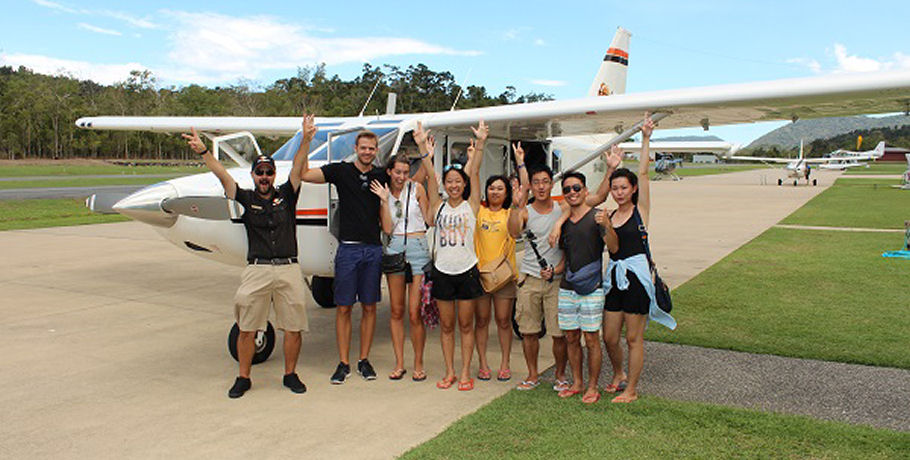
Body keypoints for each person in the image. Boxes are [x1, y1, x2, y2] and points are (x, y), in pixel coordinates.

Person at [180, 114, 316, 398]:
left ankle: (290, 374)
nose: (264, 177)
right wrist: (204, 151)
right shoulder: (245, 197)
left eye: (268, 172)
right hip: (258, 269)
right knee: (246, 328)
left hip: (289, 268)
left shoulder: (287, 194)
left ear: (274, 176)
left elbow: (298, 166)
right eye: (260, 173)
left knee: (293, 328)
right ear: (253, 175)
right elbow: (222, 175)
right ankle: (243, 377)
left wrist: (305, 139)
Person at [299, 127, 389, 384]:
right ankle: (343, 363)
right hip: (348, 249)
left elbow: (410, 180)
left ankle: (364, 360)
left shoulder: (381, 175)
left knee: (370, 307)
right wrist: (306, 140)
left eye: (372, 148)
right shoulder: (341, 170)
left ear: (376, 150)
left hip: (372, 248)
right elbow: (305, 174)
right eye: (363, 148)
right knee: (344, 308)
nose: (368, 152)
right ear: (356, 149)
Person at [601, 113, 676, 403]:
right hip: (615, 278)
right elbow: (613, 248)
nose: (619, 193)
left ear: (632, 190)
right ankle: (618, 373)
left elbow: (644, 173)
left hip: (637, 280)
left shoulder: (639, 211)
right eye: (615, 188)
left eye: (624, 188)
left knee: (633, 338)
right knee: (609, 336)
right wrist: (606, 227)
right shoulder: (607, 215)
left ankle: (631, 390)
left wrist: (645, 138)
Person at [417, 121, 486, 391]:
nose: (454, 185)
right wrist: (423, 147)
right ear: (445, 185)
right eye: (450, 182)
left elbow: (476, 170)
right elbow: (429, 177)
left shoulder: (472, 205)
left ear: (464, 184)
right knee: (447, 327)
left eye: (458, 181)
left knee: (466, 326)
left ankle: (466, 372)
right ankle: (450, 372)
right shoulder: (438, 206)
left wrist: (480, 143)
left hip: (467, 270)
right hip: (443, 271)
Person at [506, 150, 569, 392]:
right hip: (530, 278)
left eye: (545, 182)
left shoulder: (561, 208)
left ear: (551, 183)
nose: (541, 187)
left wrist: (559, 224)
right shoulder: (525, 211)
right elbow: (513, 232)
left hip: (556, 279)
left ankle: (561, 375)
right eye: (536, 183)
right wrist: (515, 204)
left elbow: (577, 207)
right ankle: (532, 375)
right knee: (528, 331)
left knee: (558, 333)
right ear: (530, 186)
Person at [555, 169, 619, 404]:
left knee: (591, 339)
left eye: (576, 188)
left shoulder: (597, 217)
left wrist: (608, 226)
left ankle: (592, 386)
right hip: (566, 287)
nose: (572, 193)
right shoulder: (563, 223)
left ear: (585, 191)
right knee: (571, 337)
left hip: (592, 288)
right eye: (567, 190)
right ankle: (577, 382)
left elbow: (613, 248)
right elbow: (565, 257)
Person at [370, 151, 431, 382]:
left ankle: (418, 363)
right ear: (389, 171)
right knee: (396, 310)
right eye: (398, 172)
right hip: (395, 248)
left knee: (415, 312)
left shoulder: (417, 189)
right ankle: (399, 363)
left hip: (417, 247)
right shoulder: (383, 193)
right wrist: (385, 201)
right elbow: (386, 228)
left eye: (406, 172)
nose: (402, 176)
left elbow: (428, 218)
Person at [472, 160, 517, 382]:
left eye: (500, 188)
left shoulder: (510, 214)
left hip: (504, 277)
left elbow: (518, 226)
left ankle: (505, 364)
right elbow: (473, 181)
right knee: (481, 321)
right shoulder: (479, 212)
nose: (495, 191)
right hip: (481, 276)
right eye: (491, 188)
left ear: (507, 192)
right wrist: (476, 155)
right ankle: (482, 364)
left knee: (503, 320)